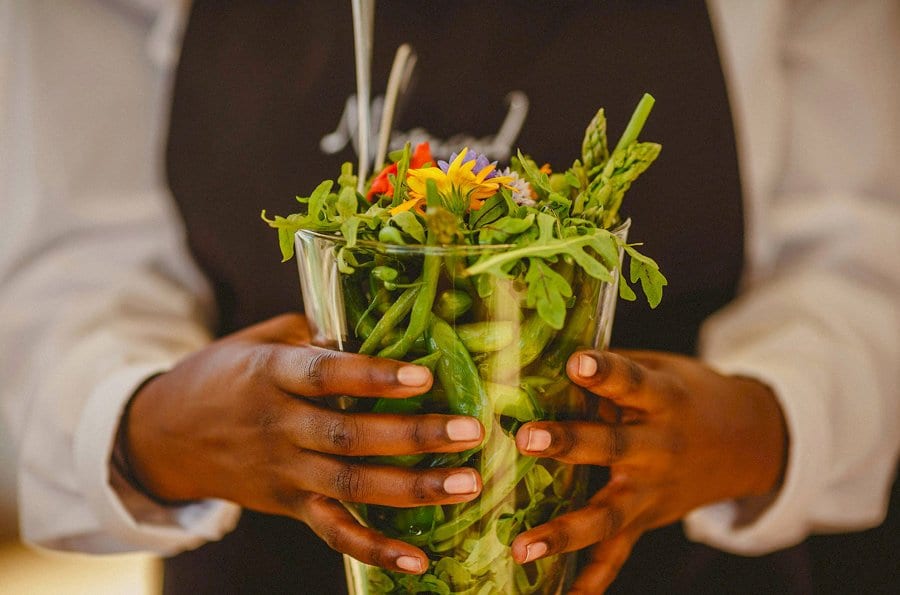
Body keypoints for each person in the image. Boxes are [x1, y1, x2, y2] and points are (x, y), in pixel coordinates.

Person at [1, 0, 898, 593]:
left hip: (687, 567)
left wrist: (758, 422)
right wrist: (148, 424)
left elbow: (864, 260)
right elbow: (68, 280)